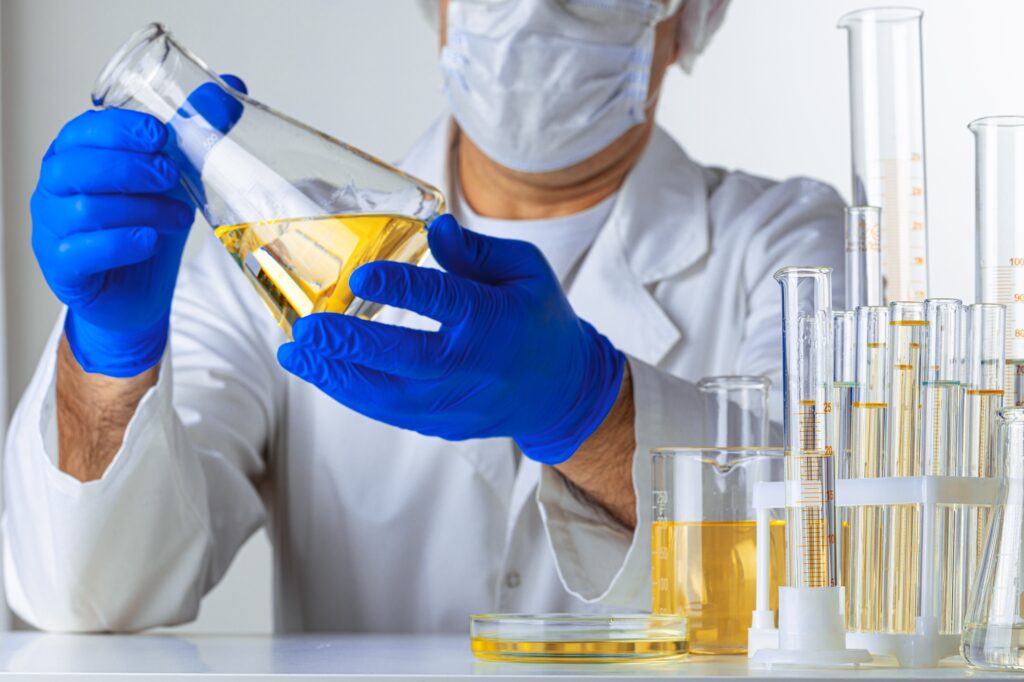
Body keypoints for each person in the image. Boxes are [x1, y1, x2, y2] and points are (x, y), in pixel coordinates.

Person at [5, 0, 844, 632]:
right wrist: (110, 362)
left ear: (683, 17)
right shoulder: (271, 265)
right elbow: (87, 599)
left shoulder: (784, 242)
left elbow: (827, 573)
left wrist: (595, 412)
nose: (532, 10)